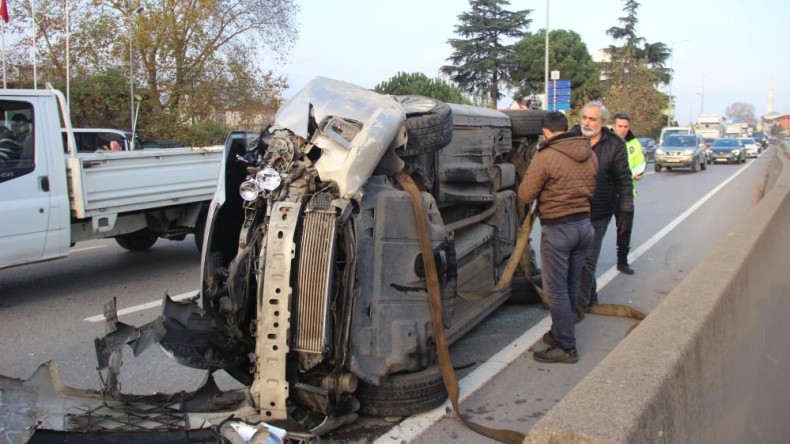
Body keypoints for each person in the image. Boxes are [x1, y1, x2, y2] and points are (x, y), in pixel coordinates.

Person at [518, 111, 597, 364]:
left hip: (559, 229)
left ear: (546, 131)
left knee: (556, 291)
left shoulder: (546, 156)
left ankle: (566, 347)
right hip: (584, 226)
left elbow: (526, 194)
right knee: (572, 284)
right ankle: (561, 331)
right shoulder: (589, 153)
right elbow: (593, 187)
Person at [569, 101, 633, 315]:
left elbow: (624, 180)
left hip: (599, 211)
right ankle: (590, 296)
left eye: (592, 119)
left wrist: (625, 210)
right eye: (584, 118)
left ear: (603, 122)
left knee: (587, 260)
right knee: (575, 258)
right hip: (572, 209)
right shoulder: (570, 138)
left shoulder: (615, 145)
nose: (586, 123)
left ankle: (578, 308)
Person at [611, 112, 646, 275]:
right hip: (606, 192)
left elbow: (640, 163)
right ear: (613, 126)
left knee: (625, 229)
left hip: (625, 192)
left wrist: (640, 172)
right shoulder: (606, 140)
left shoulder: (634, 143)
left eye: (626, 127)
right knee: (594, 230)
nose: (623, 130)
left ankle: (622, 262)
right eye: (620, 126)